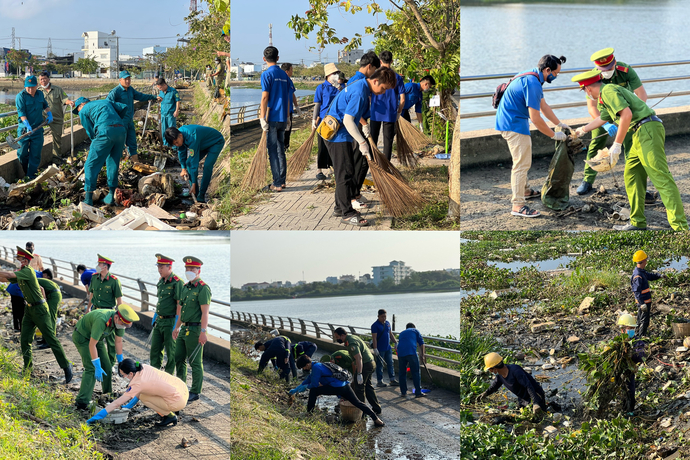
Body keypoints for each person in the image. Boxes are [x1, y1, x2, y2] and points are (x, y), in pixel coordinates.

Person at [572, 70, 688, 231]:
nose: (586, 93)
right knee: (632, 175)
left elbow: (626, 115)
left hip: (647, 129)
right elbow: (603, 117)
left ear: (588, 88)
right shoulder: (605, 94)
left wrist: (617, 145)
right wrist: (582, 130)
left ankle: (680, 227)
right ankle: (637, 222)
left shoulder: (608, 91)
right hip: (638, 133)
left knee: (660, 176)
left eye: (584, 90)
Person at [495, 55, 570, 219]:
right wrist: (554, 135)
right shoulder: (533, 83)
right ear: (547, 70)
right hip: (514, 124)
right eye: (556, 73)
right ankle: (518, 204)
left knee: (522, 160)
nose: (556, 76)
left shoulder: (531, 75)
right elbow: (535, 118)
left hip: (509, 120)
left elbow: (543, 105)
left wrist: (559, 124)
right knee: (521, 164)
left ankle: (525, 190)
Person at [576, 48, 652, 203]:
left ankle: (639, 187)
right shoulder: (592, 77)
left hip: (626, 115)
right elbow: (592, 107)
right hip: (603, 115)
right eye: (602, 70)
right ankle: (588, 180)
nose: (606, 72)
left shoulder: (626, 70)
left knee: (633, 148)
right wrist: (604, 125)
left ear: (615, 63)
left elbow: (641, 95)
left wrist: (635, 116)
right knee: (595, 145)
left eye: (609, 68)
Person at [324, 67, 396, 226]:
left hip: (339, 134)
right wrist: (362, 142)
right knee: (345, 174)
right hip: (337, 135)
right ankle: (347, 214)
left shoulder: (361, 85)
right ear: (376, 81)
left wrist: (363, 127)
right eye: (383, 88)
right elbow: (348, 121)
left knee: (345, 172)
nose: (383, 92)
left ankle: (339, 207)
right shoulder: (360, 92)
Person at [0, 247, 72, 384]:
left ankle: (66, 365)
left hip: (40, 309)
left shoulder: (27, 271)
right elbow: (5, 278)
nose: (16, 260)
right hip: (29, 310)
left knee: (51, 339)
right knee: (25, 339)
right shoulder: (21, 272)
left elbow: (8, 275)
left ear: (24, 261)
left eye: (18, 258)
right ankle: (28, 369)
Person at [71, 304, 139, 410]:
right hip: (83, 337)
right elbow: (92, 345)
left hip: (98, 339)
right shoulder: (101, 320)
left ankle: (107, 395)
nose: (124, 327)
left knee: (107, 367)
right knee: (91, 368)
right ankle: (82, 402)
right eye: (123, 324)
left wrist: (120, 361)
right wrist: (97, 365)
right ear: (116, 318)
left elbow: (118, 341)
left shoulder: (121, 323)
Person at [86, 359, 189, 427]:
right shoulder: (142, 366)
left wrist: (97, 417)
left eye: (123, 375)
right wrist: (129, 405)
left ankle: (170, 416)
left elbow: (116, 403)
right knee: (143, 394)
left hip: (178, 401)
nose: (123, 378)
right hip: (182, 388)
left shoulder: (137, 384)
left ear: (131, 373)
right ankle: (168, 412)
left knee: (144, 398)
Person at [290, 355, 385, 427]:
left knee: (314, 391)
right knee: (357, 403)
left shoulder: (316, 368)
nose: (304, 369)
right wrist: (297, 388)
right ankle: (376, 419)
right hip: (344, 385)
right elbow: (309, 379)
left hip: (336, 388)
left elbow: (314, 384)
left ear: (307, 364)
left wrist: (306, 387)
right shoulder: (317, 364)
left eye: (303, 367)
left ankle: (309, 413)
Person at [71, 96, 129, 205]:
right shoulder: (105, 101)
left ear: (81, 105)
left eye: (77, 109)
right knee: (113, 162)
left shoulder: (83, 110)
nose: (78, 112)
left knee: (90, 164)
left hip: (105, 132)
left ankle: (88, 199)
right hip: (121, 131)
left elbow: (89, 130)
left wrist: (97, 140)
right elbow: (124, 107)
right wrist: (116, 122)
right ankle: (111, 196)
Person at [345, 51, 381, 208]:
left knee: (364, 161)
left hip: (362, 121)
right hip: (357, 123)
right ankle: (352, 197)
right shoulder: (358, 81)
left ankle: (356, 192)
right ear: (369, 67)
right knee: (360, 161)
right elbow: (351, 109)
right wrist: (364, 124)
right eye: (375, 71)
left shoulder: (359, 79)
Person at [173, 256, 211, 403]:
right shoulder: (185, 287)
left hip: (195, 329)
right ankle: (181, 386)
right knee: (178, 358)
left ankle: (195, 391)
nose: (189, 271)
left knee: (195, 361)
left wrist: (203, 332)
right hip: (184, 328)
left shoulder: (203, 288)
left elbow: (205, 312)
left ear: (198, 270)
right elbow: (182, 310)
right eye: (187, 269)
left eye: (192, 269)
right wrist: (177, 327)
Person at [107, 70, 158, 163]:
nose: (128, 81)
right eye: (125, 79)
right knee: (120, 144)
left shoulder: (130, 90)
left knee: (132, 142)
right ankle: (119, 164)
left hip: (130, 120)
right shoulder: (115, 92)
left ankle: (136, 163)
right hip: (120, 122)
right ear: (120, 80)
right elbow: (107, 104)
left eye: (129, 79)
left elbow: (140, 96)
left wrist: (153, 97)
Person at [165, 125, 225, 203]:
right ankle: (194, 191)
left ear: (180, 135)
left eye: (176, 142)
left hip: (216, 142)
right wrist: (183, 168)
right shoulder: (178, 135)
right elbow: (181, 152)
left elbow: (194, 163)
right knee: (188, 163)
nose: (176, 144)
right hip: (202, 143)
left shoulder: (192, 137)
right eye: (174, 144)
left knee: (207, 166)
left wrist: (193, 183)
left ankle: (201, 195)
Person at [259, 46, 290, 192]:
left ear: (264, 59)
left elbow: (265, 97)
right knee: (280, 150)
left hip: (271, 117)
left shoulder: (266, 74)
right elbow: (288, 96)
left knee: (272, 150)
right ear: (278, 58)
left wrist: (262, 117)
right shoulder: (284, 75)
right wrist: (289, 116)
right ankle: (282, 181)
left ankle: (276, 183)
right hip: (283, 117)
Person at [333, 327, 382, 416]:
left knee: (359, 387)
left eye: (337, 337)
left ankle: (362, 412)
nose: (337, 339)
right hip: (370, 362)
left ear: (343, 335)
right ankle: (377, 408)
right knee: (368, 386)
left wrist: (359, 373)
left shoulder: (351, 342)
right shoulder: (351, 338)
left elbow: (359, 358)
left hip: (365, 364)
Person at [477, 352, 547, 413]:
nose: (490, 372)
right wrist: (486, 393)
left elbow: (528, 386)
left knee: (537, 418)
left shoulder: (515, 371)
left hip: (535, 396)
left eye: (490, 370)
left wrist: (535, 403)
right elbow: (494, 386)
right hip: (523, 399)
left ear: (495, 368)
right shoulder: (500, 376)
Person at [87, 254, 123, 366]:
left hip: (108, 314)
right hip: (95, 312)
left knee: (111, 341)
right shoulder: (94, 277)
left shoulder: (114, 281)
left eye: (99, 264)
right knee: (94, 338)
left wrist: (120, 315)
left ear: (105, 267)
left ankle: (111, 364)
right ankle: (95, 362)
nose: (97, 266)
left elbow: (119, 300)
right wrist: (88, 308)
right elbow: (92, 294)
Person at [370, 51, 406, 161]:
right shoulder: (397, 77)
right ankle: (386, 167)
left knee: (373, 141)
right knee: (388, 142)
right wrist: (398, 113)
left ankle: (373, 164)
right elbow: (403, 99)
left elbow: (369, 96)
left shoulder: (374, 76)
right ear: (391, 61)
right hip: (390, 113)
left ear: (380, 61)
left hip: (375, 112)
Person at [15, 75, 52, 180]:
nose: (30, 89)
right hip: (24, 130)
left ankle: (31, 177)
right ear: (25, 86)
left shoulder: (40, 94)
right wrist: (27, 124)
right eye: (28, 87)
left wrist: (49, 114)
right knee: (22, 153)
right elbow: (21, 112)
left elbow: (45, 105)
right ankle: (27, 171)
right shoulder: (20, 96)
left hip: (38, 129)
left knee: (35, 154)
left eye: (32, 87)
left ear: (37, 85)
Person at [151, 254, 183, 375]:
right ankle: (155, 375)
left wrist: (177, 324)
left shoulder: (177, 283)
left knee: (171, 352)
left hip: (170, 321)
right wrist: (155, 316)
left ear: (169, 267)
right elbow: (160, 300)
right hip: (159, 320)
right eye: (158, 267)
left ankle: (169, 377)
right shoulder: (161, 281)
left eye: (162, 267)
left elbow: (179, 304)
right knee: (155, 350)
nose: (159, 270)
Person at [313, 63, 340, 180]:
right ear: (328, 75)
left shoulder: (340, 87)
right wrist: (314, 119)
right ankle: (319, 170)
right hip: (323, 121)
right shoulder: (321, 88)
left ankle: (332, 168)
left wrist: (340, 88)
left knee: (334, 146)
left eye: (336, 73)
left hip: (336, 121)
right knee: (322, 145)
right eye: (334, 73)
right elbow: (317, 104)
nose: (336, 75)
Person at [615, 314, 646, 416]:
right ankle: (621, 408)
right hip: (618, 371)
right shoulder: (617, 342)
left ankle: (630, 412)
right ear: (622, 330)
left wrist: (632, 354)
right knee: (618, 390)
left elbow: (641, 355)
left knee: (630, 391)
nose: (632, 330)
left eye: (633, 328)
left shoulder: (637, 342)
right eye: (629, 328)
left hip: (629, 372)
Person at [38, 71, 72, 160]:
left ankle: (56, 159)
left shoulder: (58, 89)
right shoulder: (37, 91)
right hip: (42, 118)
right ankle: (37, 159)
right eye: (41, 79)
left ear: (48, 79)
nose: (43, 81)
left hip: (56, 118)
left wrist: (70, 102)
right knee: (36, 137)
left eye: (45, 78)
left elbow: (65, 99)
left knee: (57, 139)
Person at [630, 250, 664, 337]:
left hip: (645, 301)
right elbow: (636, 291)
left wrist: (659, 275)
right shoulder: (638, 275)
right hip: (643, 302)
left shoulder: (641, 272)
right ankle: (641, 337)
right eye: (645, 260)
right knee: (644, 320)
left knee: (640, 319)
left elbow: (650, 276)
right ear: (643, 261)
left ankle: (637, 334)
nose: (646, 261)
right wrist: (642, 304)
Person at [371, 308, 398, 387]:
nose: (384, 318)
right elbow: (374, 338)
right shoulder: (375, 325)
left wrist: (395, 342)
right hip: (380, 349)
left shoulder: (387, 323)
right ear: (378, 316)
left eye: (385, 316)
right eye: (382, 317)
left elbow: (390, 334)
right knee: (380, 365)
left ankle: (392, 380)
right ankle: (379, 381)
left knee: (390, 363)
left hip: (388, 348)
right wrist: (375, 348)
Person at [397, 322, 426, 398]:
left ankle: (403, 392)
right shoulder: (415, 330)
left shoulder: (402, 333)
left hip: (401, 353)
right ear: (414, 327)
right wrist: (422, 355)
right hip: (411, 353)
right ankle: (418, 392)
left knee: (402, 373)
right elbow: (421, 343)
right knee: (415, 372)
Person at [281, 63, 302, 151]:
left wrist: (297, 107)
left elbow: (292, 94)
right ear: (287, 71)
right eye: (291, 70)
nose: (292, 72)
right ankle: (282, 148)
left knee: (288, 129)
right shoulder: (282, 81)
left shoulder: (289, 81)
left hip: (289, 109)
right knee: (283, 130)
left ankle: (286, 147)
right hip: (283, 110)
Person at [37, 268, 61, 339]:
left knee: (50, 317)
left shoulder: (33, 281)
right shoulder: (43, 281)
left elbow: (41, 289)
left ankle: (50, 340)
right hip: (54, 295)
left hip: (53, 296)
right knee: (47, 317)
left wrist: (43, 302)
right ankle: (46, 338)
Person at [156, 78, 181, 147]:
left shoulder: (173, 91)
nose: (160, 89)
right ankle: (166, 145)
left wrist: (176, 110)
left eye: (160, 87)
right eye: (159, 88)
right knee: (164, 130)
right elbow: (160, 100)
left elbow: (177, 101)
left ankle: (174, 145)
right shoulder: (161, 92)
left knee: (172, 131)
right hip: (163, 114)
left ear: (164, 85)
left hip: (170, 114)